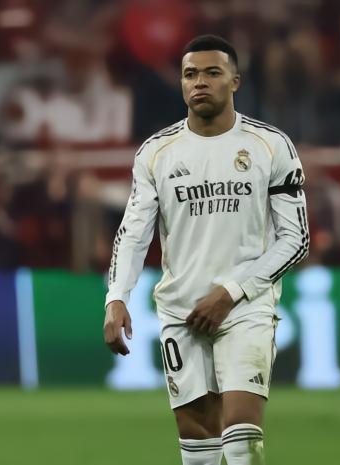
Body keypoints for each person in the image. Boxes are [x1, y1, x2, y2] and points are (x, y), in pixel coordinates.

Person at [102, 34, 308, 465]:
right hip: (181, 311)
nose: (200, 82)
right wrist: (116, 297)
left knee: (242, 435)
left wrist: (231, 292)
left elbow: (296, 239)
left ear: (235, 81)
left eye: (213, 73)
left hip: (245, 306)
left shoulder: (270, 145)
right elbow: (133, 233)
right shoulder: (156, 153)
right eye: (190, 74)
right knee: (198, 447)